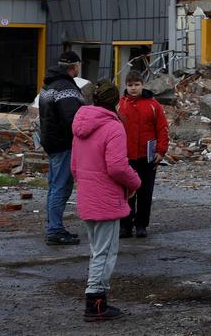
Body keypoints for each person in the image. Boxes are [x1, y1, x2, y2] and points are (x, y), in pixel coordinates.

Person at [71, 79, 142, 321]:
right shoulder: (113, 127)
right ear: (116, 102)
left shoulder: (80, 125)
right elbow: (117, 167)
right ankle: (96, 303)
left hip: (87, 194)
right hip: (107, 197)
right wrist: (135, 183)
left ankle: (96, 300)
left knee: (96, 250)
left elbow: (74, 165)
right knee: (105, 252)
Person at [39, 49, 86, 245]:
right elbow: (73, 120)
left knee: (54, 185)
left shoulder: (48, 86)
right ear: (74, 66)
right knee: (61, 186)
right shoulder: (67, 89)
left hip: (51, 142)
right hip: (64, 144)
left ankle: (54, 225)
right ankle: (55, 229)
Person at [117, 72, 169, 239]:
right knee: (127, 193)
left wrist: (161, 151)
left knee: (145, 193)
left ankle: (141, 225)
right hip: (127, 157)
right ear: (126, 86)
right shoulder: (119, 106)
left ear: (142, 85)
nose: (133, 88)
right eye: (130, 85)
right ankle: (125, 225)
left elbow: (162, 128)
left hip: (148, 157)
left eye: (137, 84)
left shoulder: (154, 105)